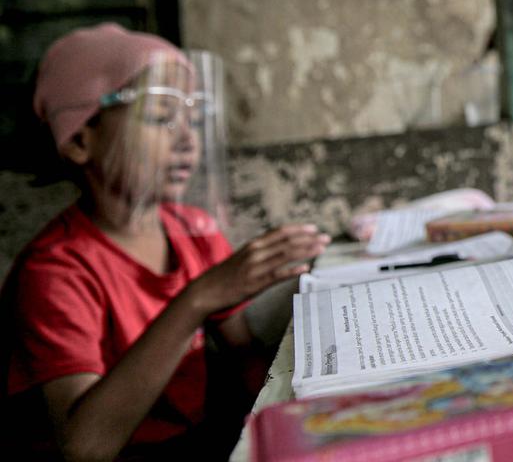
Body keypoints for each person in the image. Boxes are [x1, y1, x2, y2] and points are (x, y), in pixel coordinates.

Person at [0, 23, 331, 459]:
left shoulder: (191, 230)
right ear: (81, 140)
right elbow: (84, 447)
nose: (187, 140)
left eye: (192, 120)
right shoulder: (56, 272)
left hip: (200, 443)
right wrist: (196, 300)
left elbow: (243, 358)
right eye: (160, 118)